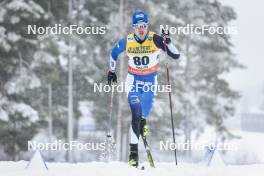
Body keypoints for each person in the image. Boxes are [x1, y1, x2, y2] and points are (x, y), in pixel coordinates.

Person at [107, 11, 180, 167]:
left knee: (142, 114)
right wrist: (111, 71)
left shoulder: (155, 39)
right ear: (134, 27)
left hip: (149, 82)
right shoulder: (128, 41)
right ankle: (133, 154)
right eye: (138, 26)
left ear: (147, 26)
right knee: (136, 113)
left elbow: (176, 55)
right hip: (133, 80)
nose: (141, 29)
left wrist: (168, 42)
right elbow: (113, 53)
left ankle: (143, 123)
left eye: (144, 26)